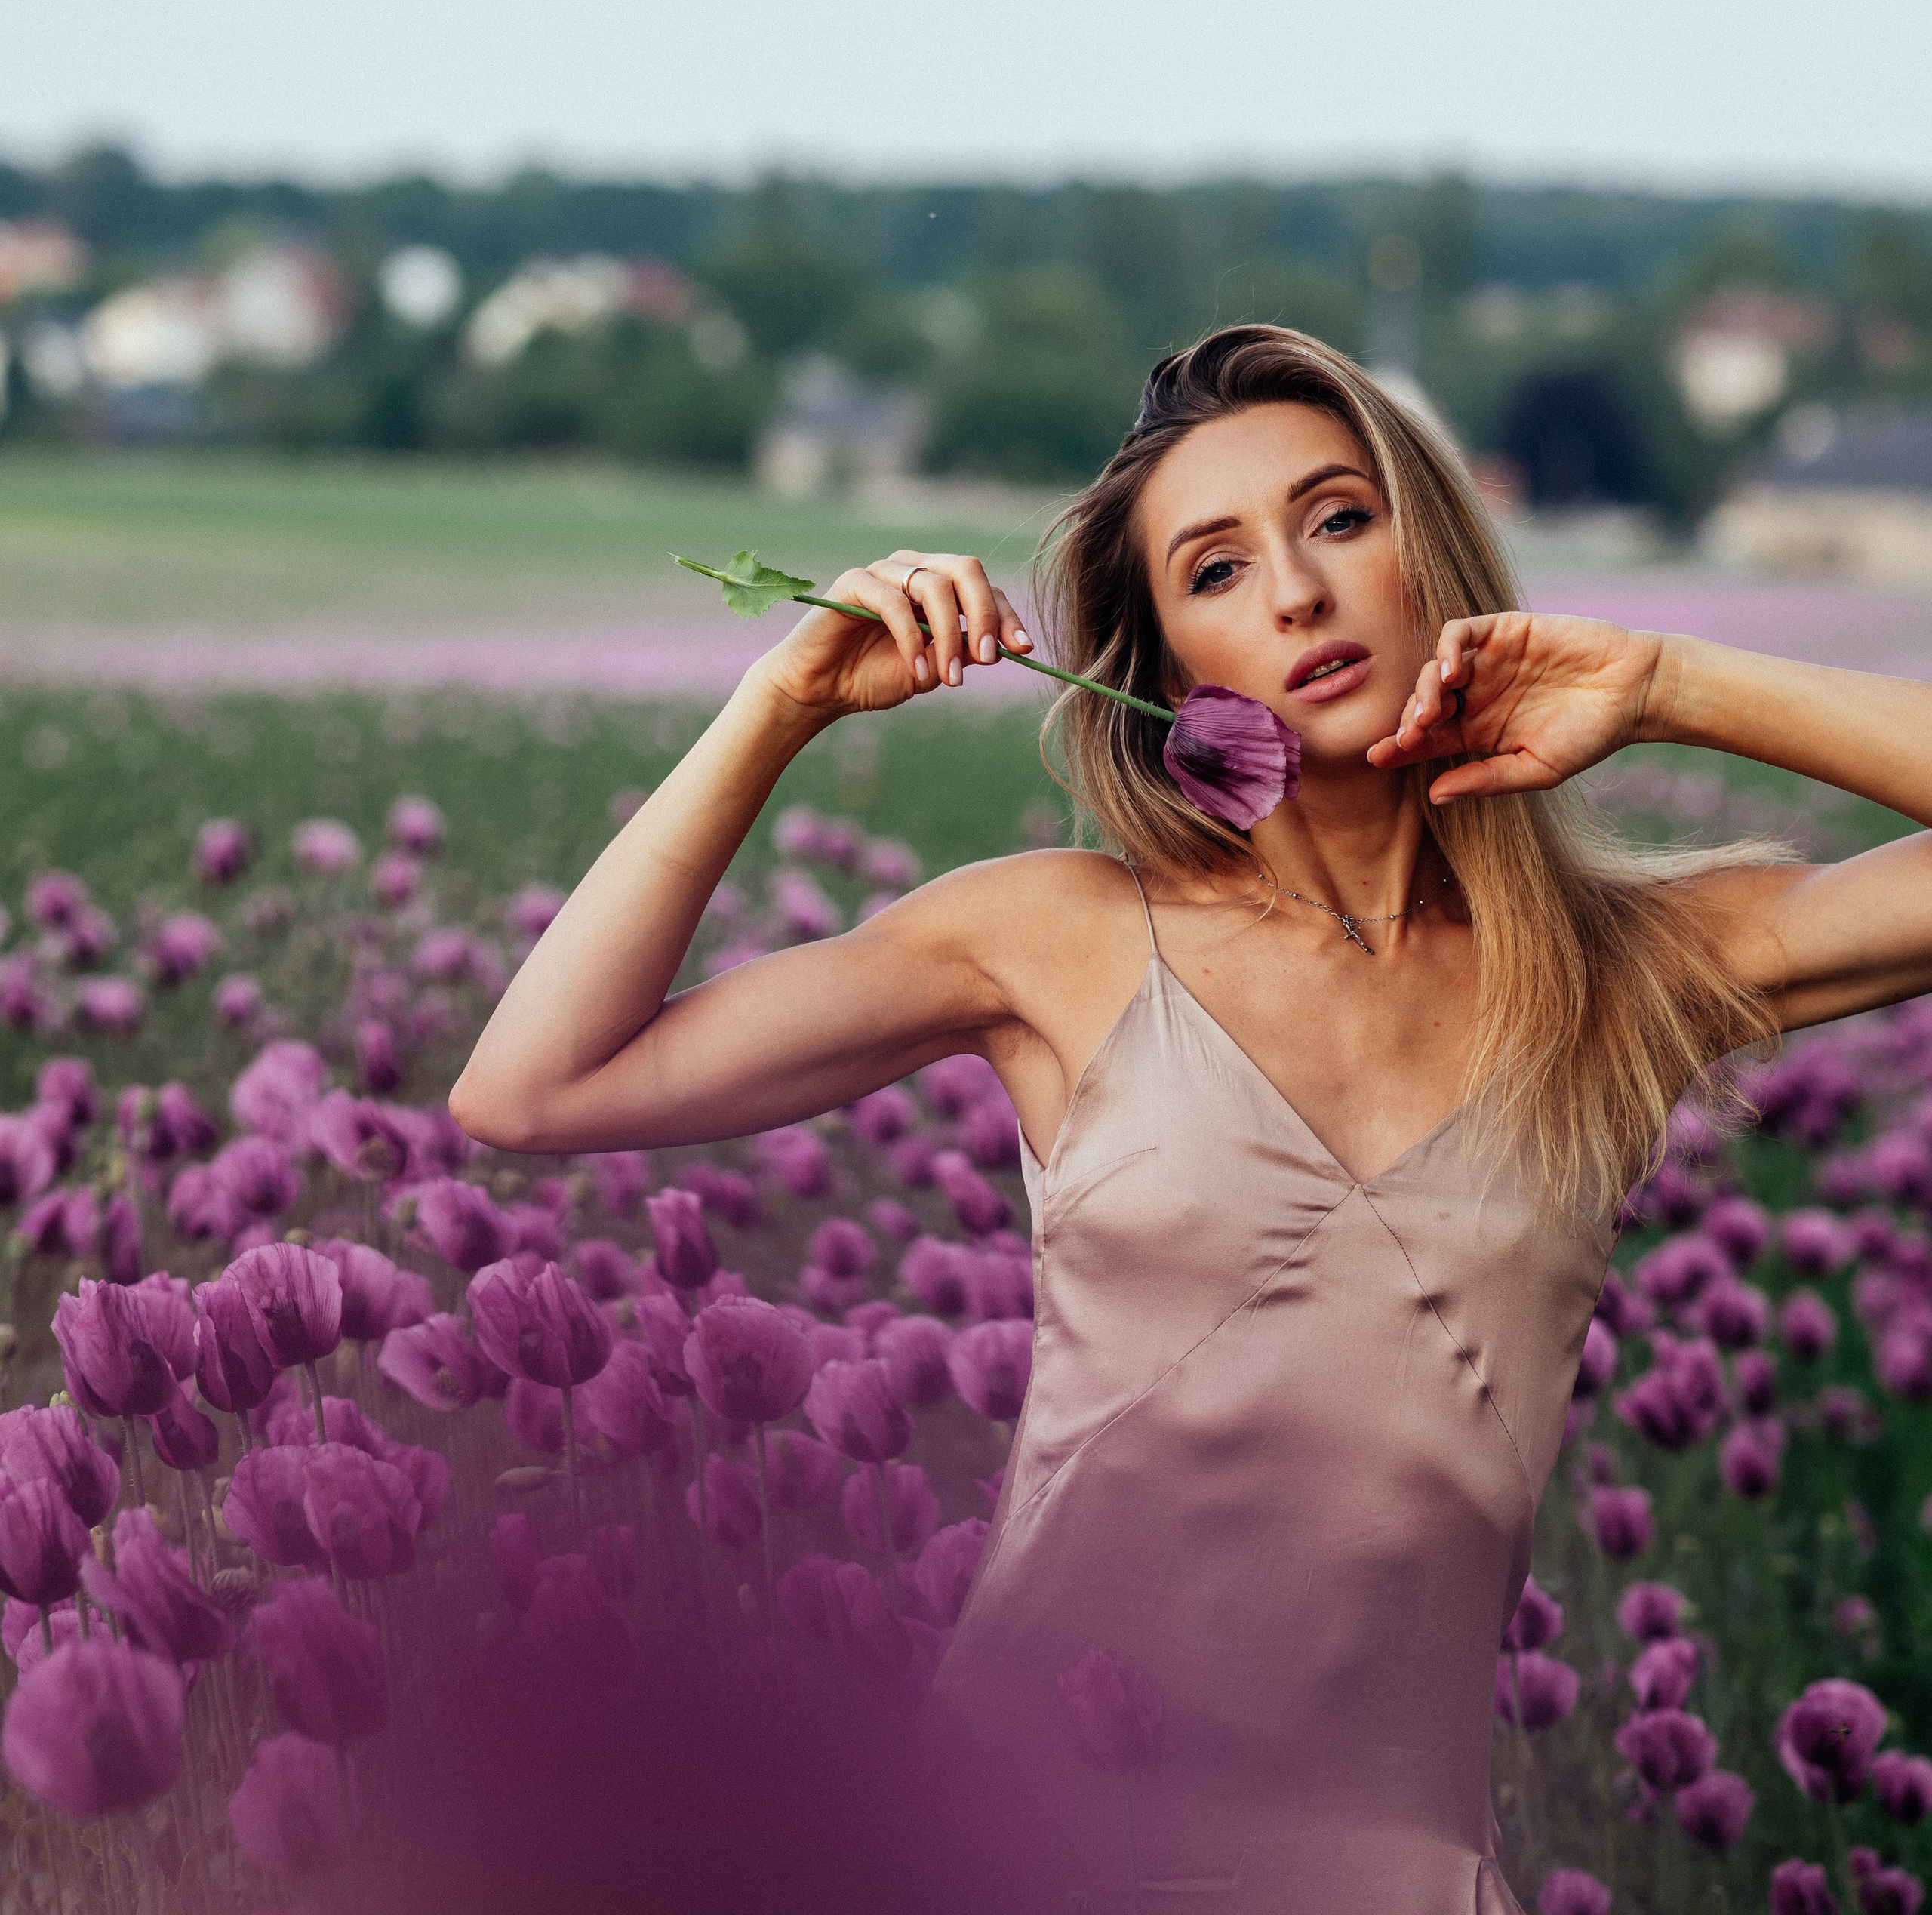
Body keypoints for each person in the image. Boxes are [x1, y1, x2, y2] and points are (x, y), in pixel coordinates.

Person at [450, 324, 1932, 1913]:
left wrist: (1664, 682)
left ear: (1427, 549)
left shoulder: (1612, 980)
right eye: (1214, 569)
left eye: (1339, 520)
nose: (1295, 591)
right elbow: (534, 1084)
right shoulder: (1056, 937)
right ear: (1163, 668)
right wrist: (782, 698)